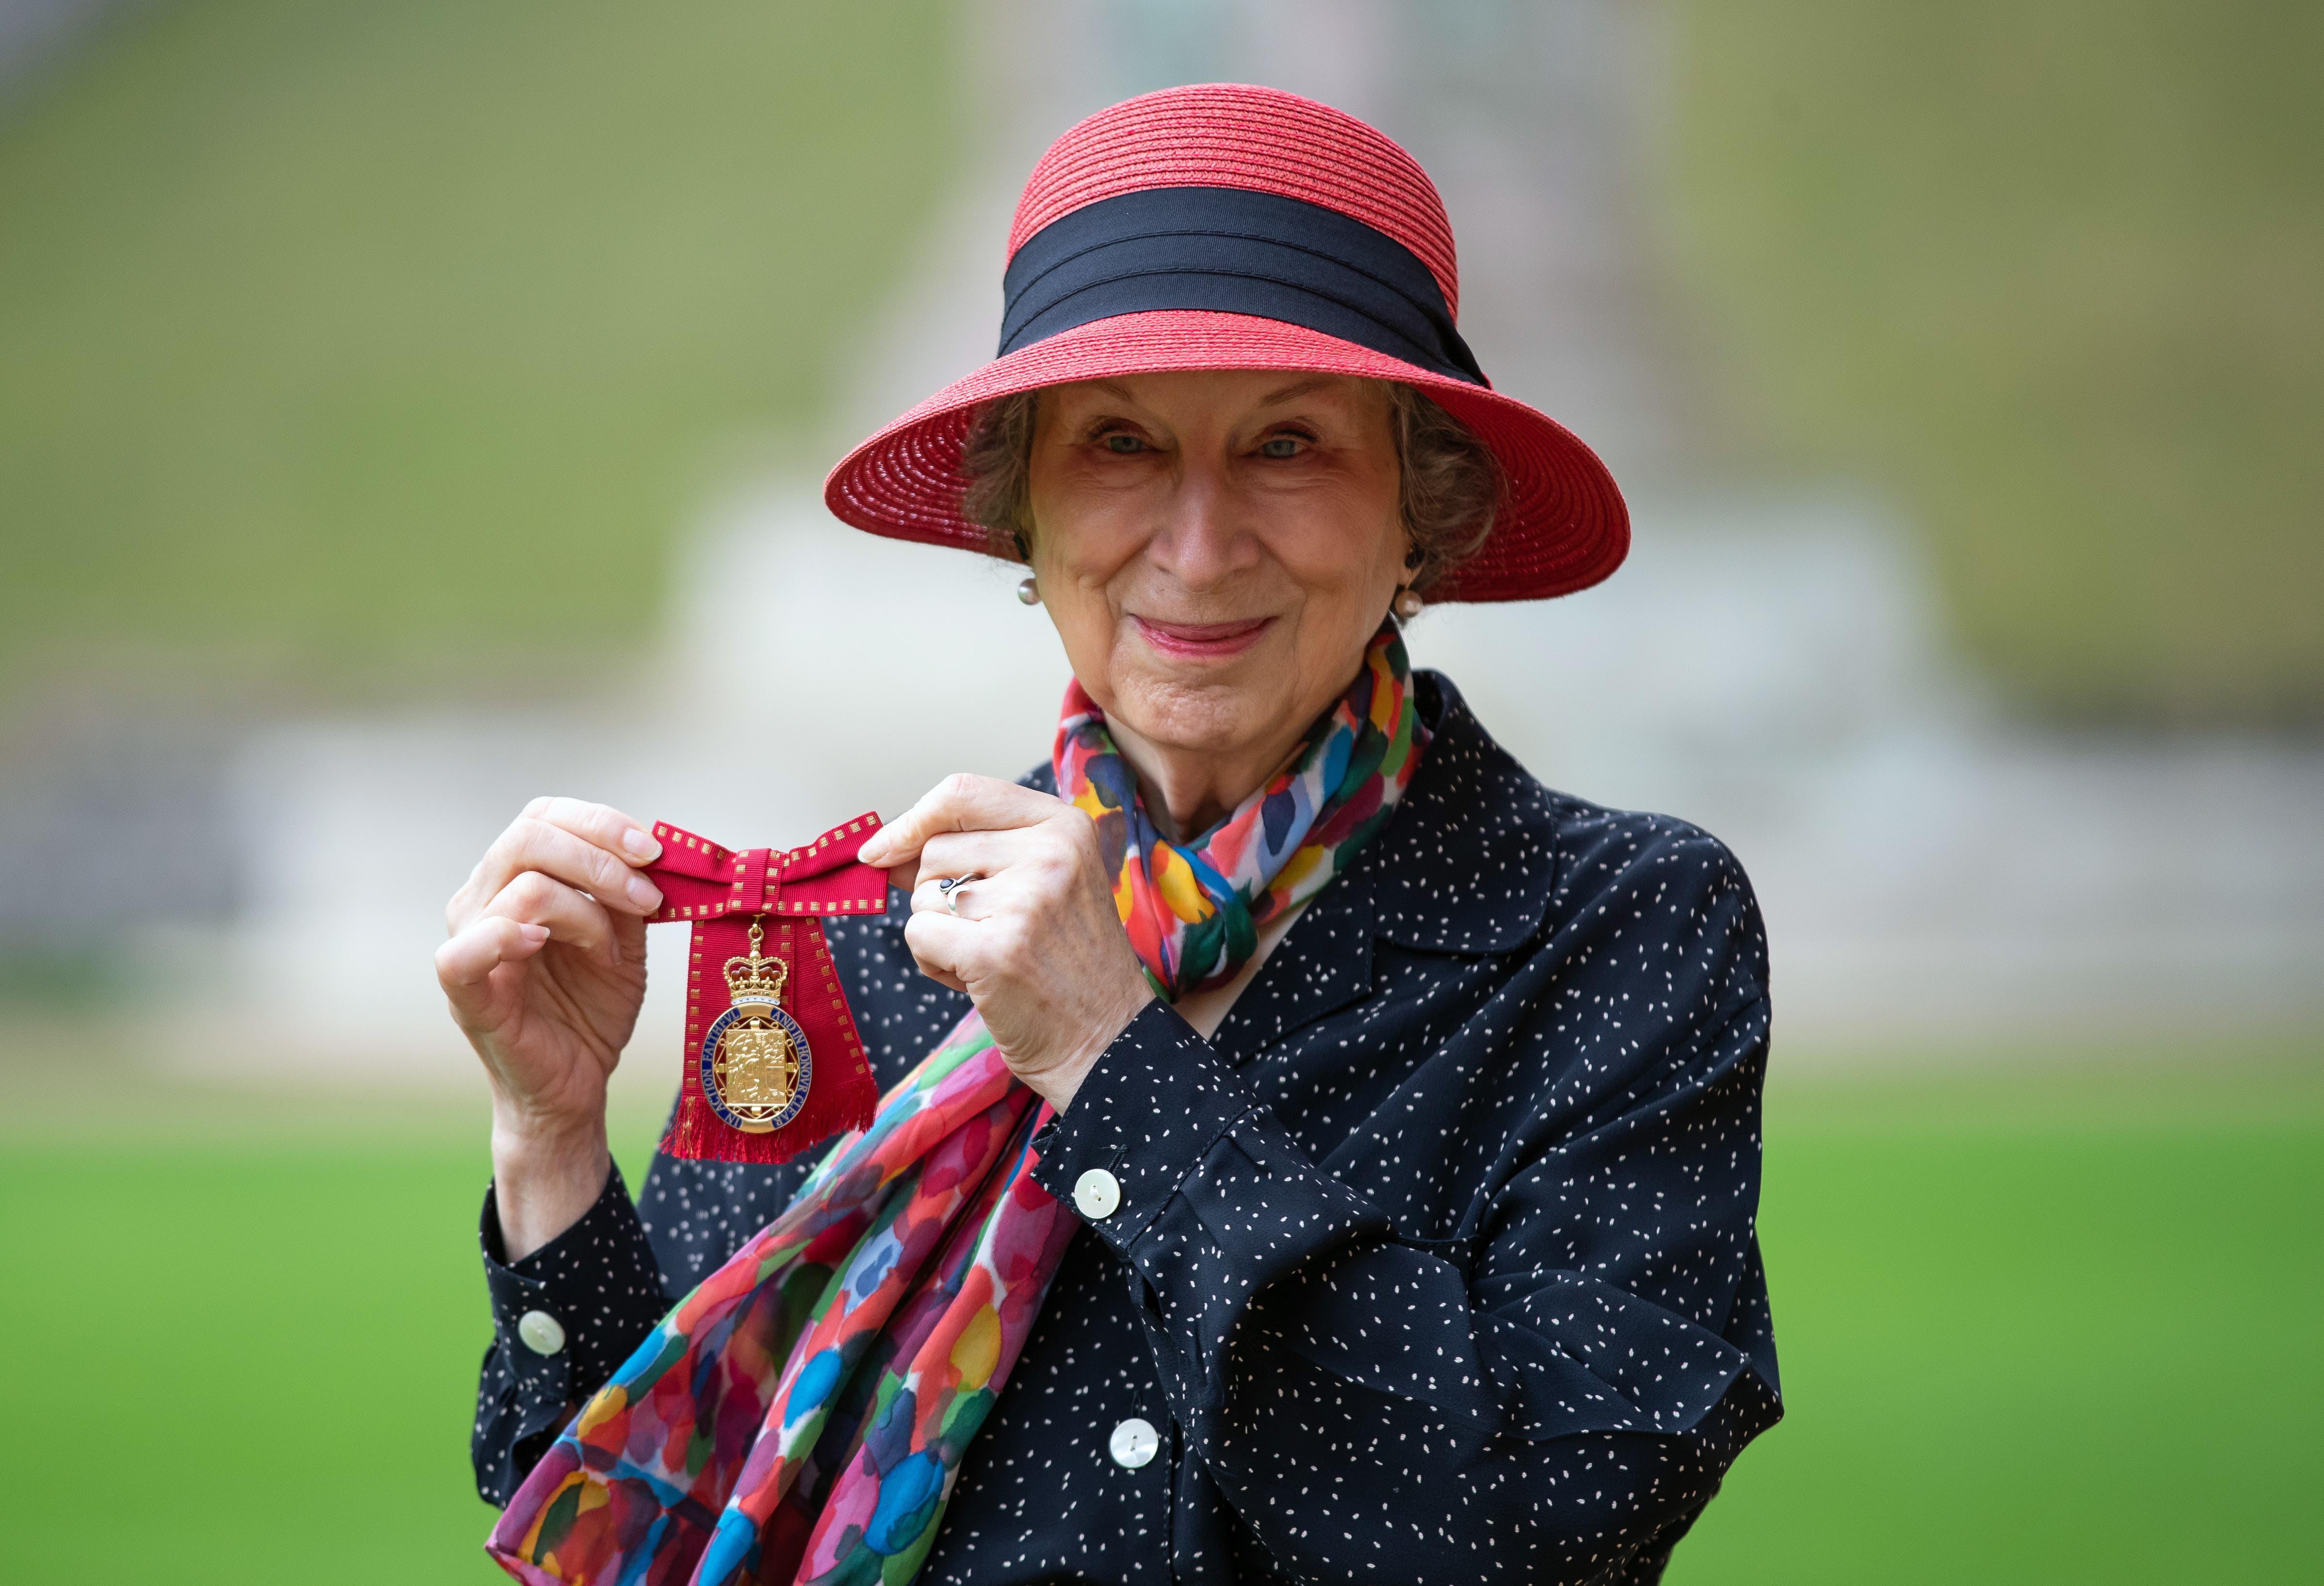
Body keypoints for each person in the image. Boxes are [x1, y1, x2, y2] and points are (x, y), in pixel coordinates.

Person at [440, 84, 1780, 1585]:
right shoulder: (871, 937)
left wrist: (1105, 1057)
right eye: (1121, 445)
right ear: (1022, 513)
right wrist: (550, 1149)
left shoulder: (1612, 924)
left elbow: (1543, 1532)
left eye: (1288, 447)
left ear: (1424, 506)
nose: (1197, 548)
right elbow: (653, 1524)